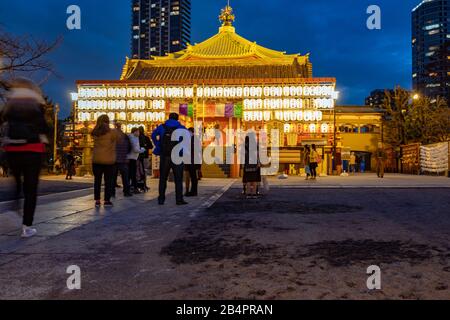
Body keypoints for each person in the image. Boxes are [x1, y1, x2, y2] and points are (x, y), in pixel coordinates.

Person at [1, 78, 49, 238]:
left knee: (17, 183)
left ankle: (13, 204)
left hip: (12, 149)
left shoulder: (10, 105)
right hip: (33, 149)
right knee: (31, 188)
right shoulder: (35, 103)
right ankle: (26, 226)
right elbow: (44, 127)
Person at [152, 113, 188, 206]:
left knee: (163, 178)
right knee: (178, 179)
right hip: (177, 156)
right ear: (177, 119)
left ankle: (161, 199)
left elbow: (153, 135)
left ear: (169, 118)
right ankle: (179, 200)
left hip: (165, 156)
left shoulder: (162, 126)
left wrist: (158, 145)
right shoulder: (181, 127)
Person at [91, 115, 118, 208]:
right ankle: (107, 200)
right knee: (108, 181)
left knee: (97, 181)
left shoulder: (95, 132)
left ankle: (97, 200)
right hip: (108, 160)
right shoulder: (112, 132)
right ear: (108, 121)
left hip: (96, 159)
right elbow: (118, 138)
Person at [113, 122, 132, 197]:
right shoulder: (125, 136)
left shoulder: (112, 136)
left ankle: (112, 192)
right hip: (123, 158)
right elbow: (130, 147)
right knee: (125, 176)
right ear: (121, 127)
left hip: (114, 158)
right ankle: (126, 191)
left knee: (112, 176)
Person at [243, 132, 261, 199]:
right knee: (254, 180)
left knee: (248, 180)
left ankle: (248, 194)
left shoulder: (245, 145)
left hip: (247, 164)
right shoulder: (256, 145)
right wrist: (258, 162)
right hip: (254, 164)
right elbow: (258, 154)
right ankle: (254, 194)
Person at [127, 127, 145, 194]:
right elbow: (135, 149)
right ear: (134, 132)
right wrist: (142, 150)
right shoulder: (133, 138)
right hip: (132, 157)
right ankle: (133, 187)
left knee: (129, 173)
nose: (139, 133)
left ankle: (128, 187)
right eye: (138, 132)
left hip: (131, 157)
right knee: (132, 173)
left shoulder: (131, 137)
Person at [137, 126, 153, 192]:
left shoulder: (136, 138)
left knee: (138, 171)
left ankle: (138, 184)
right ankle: (144, 184)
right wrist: (145, 147)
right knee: (144, 170)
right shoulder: (146, 138)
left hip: (137, 157)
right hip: (145, 156)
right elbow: (151, 146)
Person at [185, 128, 200, 197]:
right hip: (190, 160)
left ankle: (194, 191)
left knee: (193, 177)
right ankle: (191, 191)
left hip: (193, 161)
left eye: (189, 132)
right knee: (191, 176)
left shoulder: (194, 139)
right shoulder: (190, 139)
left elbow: (196, 150)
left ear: (192, 132)